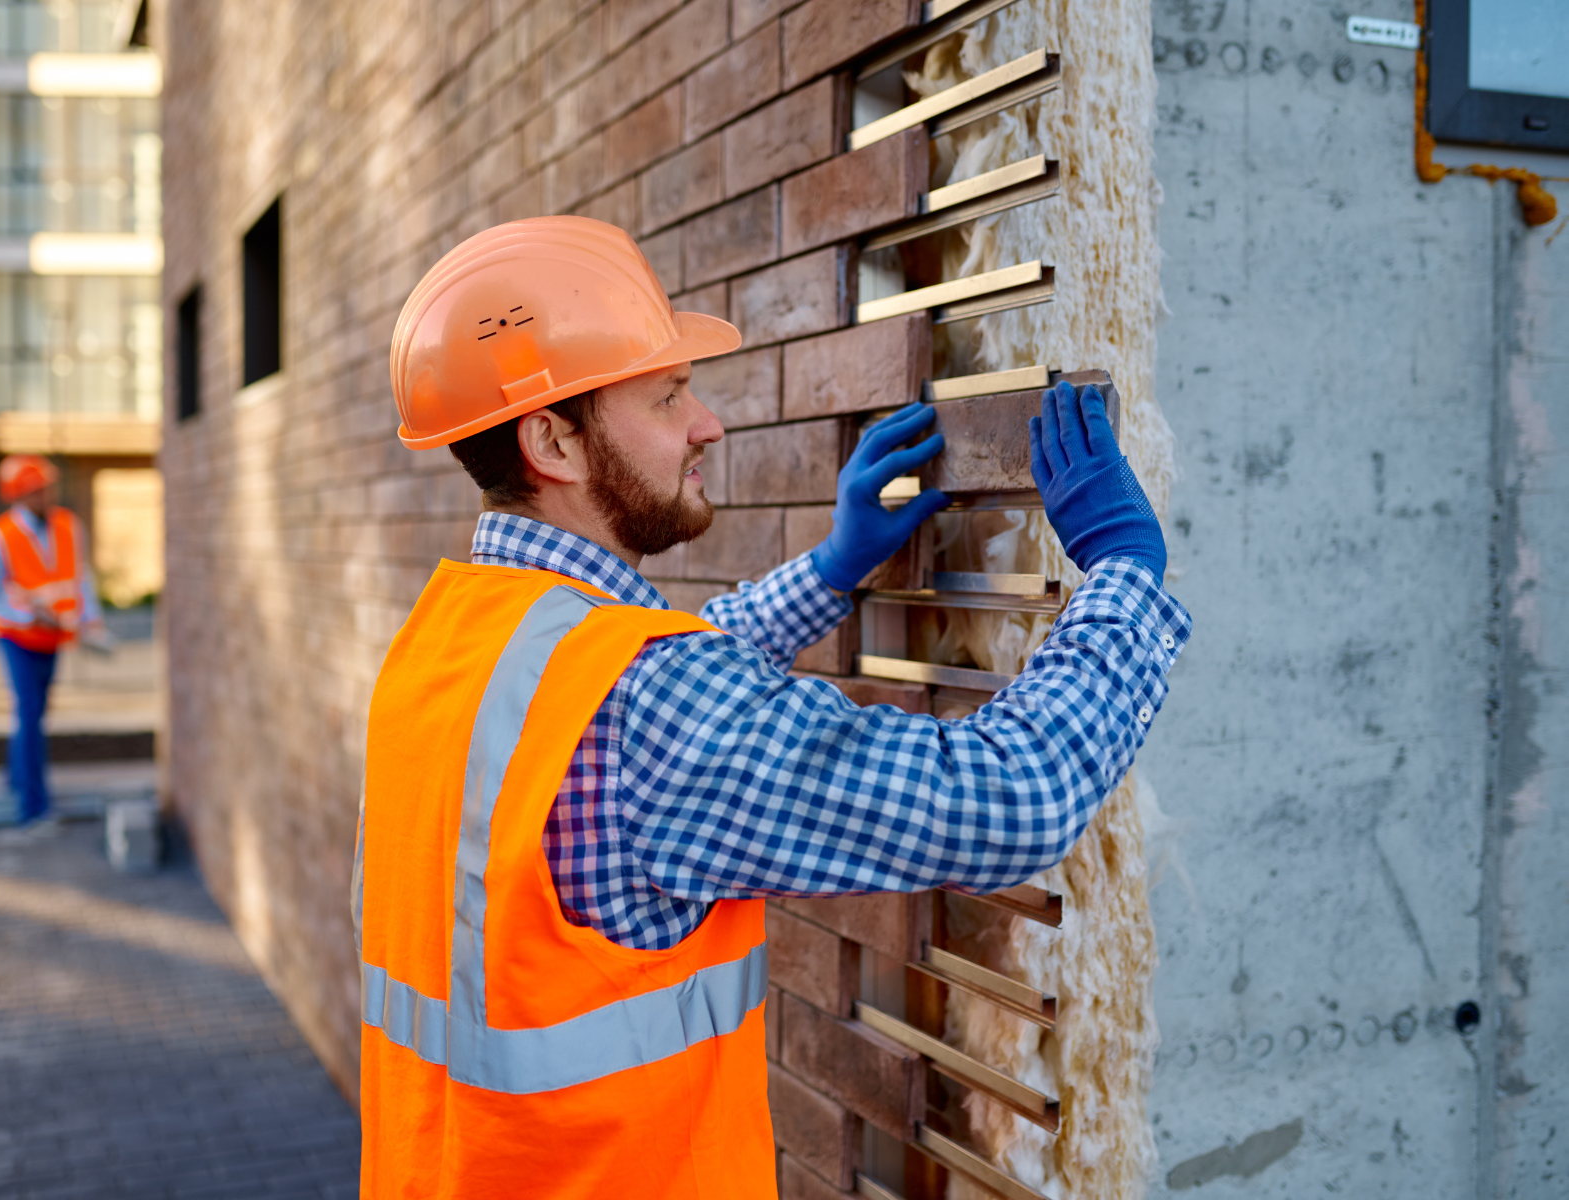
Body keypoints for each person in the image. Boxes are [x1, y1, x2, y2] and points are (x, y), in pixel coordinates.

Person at [356, 216, 1190, 1198]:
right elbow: (1009, 802)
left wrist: (834, 569)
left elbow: (649, 698)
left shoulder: (451, 640)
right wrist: (1127, 576)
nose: (706, 422)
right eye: (666, 398)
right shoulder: (644, 701)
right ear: (554, 440)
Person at [0, 454, 106, 830]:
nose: (45, 495)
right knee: (29, 712)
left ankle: (17, 779)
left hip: (53, 636)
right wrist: (27, 616)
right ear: (19, 494)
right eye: (37, 490)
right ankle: (33, 804)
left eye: (47, 488)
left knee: (33, 713)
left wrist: (91, 619)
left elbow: (81, 577)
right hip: (16, 637)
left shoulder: (67, 525)